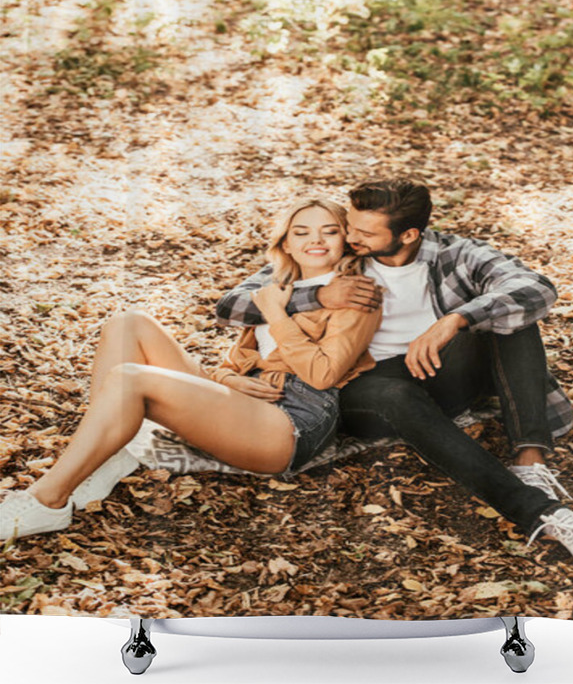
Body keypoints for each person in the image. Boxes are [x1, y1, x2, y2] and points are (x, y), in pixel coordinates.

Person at [215, 179, 573, 576]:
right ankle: (541, 513)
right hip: (365, 382)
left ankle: (529, 460)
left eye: (361, 232)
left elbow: (534, 287)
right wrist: (320, 296)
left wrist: (455, 319)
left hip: (438, 365)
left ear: (409, 234)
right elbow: (233, 304)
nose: (348, 236)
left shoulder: (453, 253)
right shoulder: (337, 260)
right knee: (395, 395)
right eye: (349, 227)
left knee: (512, 318)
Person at [0, 198, 381, 542]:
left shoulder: (356, 294)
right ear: (286, 243)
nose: (316, 240)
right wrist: (228, 377)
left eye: (329, 231)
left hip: (293, 420)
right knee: (128, 323)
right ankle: (109, 452)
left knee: (130, 379)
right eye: (302, 232)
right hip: (246, 394)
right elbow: (237, 350)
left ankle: (47, 503)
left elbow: (322, 375)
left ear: (345, 240)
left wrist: (277, 314)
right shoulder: (277, 283)